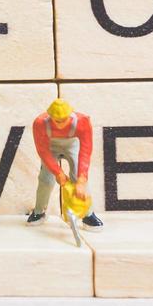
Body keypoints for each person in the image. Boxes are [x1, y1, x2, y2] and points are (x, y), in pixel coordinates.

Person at [26, 98, 104, 229]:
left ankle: (88, 214)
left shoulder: (82, 121)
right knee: (46, 179)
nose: (61, 124)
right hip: (51, 147)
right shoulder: (40, 123)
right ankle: (39, 212)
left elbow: (85, 151)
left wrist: (81, 179)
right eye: (57, 121)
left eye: (64, 120)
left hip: (73, 145)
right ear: (50, 117)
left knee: (78, 178)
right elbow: (43, 150)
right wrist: (58, 172)